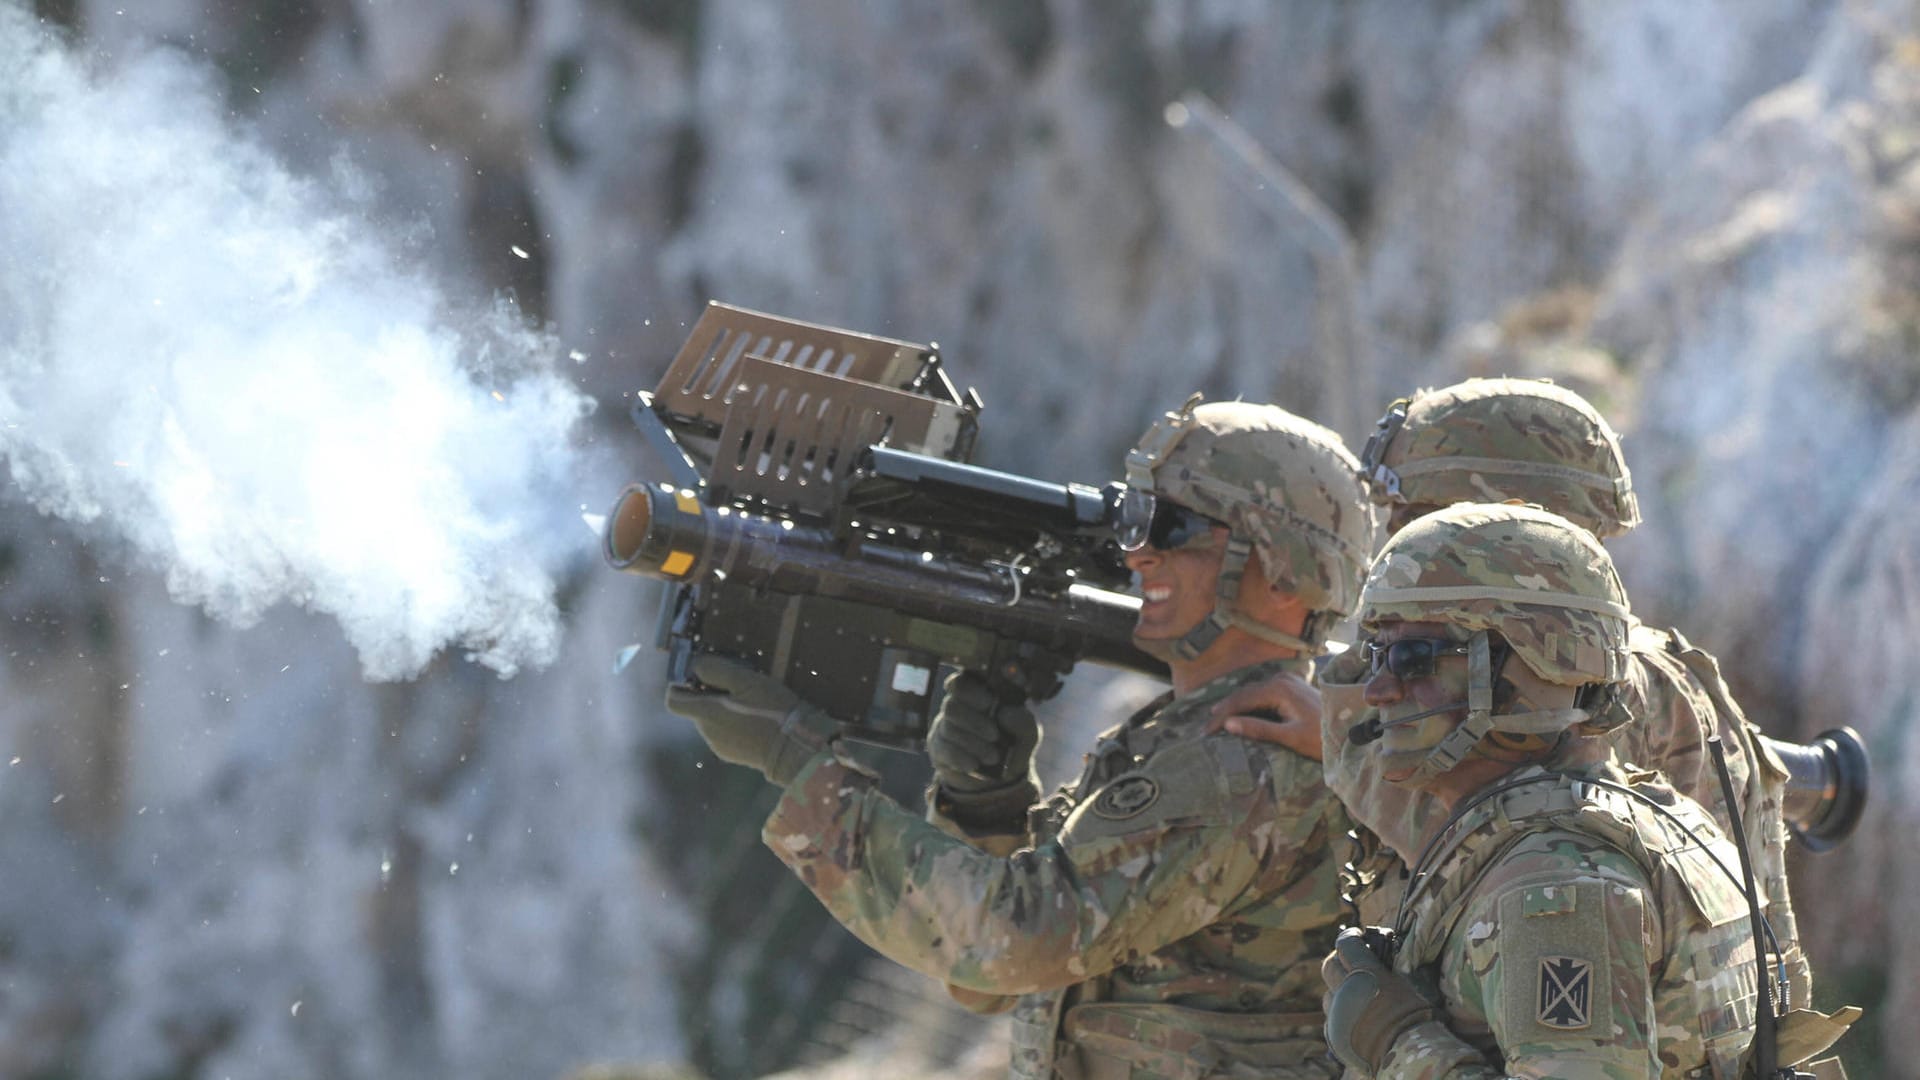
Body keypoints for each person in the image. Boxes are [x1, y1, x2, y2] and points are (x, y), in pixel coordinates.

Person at [664, 396, 1374, 1078]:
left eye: (1174, 530)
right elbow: (991, 982)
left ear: (1286, 574)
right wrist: (988, 807)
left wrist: (801, 767)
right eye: (1134, 523)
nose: (1138, 556)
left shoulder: (1241, 759)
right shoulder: (1180, 736)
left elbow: (1013, 943)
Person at [1217, 377, 1813, 1007]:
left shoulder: (1590, 680)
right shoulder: (1594, 665)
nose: (1387, 542)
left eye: (1410, 514)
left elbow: (1489, 842)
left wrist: (1339, 732)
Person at [1316, 501, 1837, 1078]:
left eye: (1413, 657)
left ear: (1533, 666)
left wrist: (1397, 1041)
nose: (1378, 689)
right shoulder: (1648, 817)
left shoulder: (1558, 886)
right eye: (1376, 655)